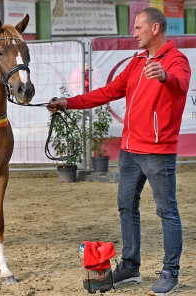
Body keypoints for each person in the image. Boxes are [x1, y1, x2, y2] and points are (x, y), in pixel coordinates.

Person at [47, 7, 191, 296]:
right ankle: (130, 266)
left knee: (167, 212)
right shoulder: (136, 62)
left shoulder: (176, 60)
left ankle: (170, 273)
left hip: (158, 152)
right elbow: (108, 91)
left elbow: (181, 84)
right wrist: (68, 102)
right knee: (127, 206)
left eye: (138, 28)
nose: (133, 33)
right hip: (129, 150)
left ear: (154, 29)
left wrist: (164, 76)